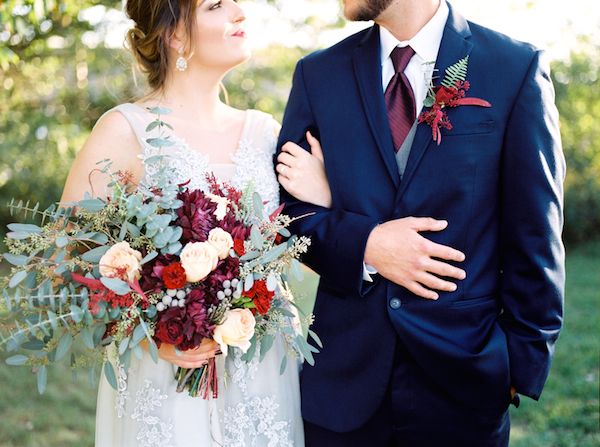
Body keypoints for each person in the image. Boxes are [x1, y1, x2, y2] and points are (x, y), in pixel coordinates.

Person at [276, 0, 565, 445]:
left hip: (464, 386)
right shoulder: (318, 74)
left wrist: (517, 368)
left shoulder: (513, 67)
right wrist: (368, 244)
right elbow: (291, 216)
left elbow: (536, 234)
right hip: (341, 390)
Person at [60, 0, 318, 445]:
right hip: (165, 378)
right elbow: (67, 258)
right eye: (217, 5)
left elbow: (304, 246)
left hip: (260, 373)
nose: (240, 12)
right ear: (174, 35)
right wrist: (151, 334)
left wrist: (323, 197)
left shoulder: (265, 133)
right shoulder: (125, 130)